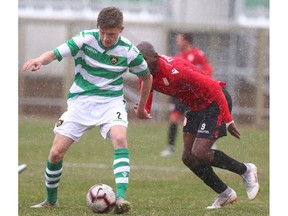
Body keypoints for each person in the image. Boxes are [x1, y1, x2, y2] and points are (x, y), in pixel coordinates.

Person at [21, 7, 152, 214]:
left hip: (111, 103)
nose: (106, 38)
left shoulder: (129, 51)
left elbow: (146, 77)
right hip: (81, 102)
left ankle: (120, 198)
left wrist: (143, 107)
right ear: (97, 28)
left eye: (112, 34)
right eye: (103, 32)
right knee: (56, 153)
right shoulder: (84, 39)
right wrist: (40, 60)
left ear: (121, 30)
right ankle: (51, 201)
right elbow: (54, 54)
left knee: (120, 139)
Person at [135, 41, 259, 209]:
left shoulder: (175, 70)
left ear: (155, 57)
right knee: (188, 157)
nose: (140, 64)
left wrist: (229, 120)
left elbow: (215, 86)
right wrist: (143, 110)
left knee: (200, 151)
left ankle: (245, 170)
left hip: (214, 101)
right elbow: (146, 89)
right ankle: (224, 193)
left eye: (143, 59)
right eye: (137, 60)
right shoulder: (143, 72)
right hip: (195, 106)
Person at [161, 32, 214, 157]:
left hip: (195, 95)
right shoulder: (179, 56)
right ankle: (170, 147)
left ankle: (208, 142)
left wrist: (199, 83)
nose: (177, 42)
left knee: (199, 120)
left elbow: (208, 70)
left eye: (179, 39)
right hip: (181, 95)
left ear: (186, 41)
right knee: (174, 118)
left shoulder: (197, 54)